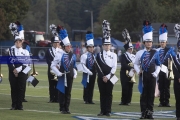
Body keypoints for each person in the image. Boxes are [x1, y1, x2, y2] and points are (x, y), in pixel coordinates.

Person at [134, 20, 161, 119]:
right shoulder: (139, 53)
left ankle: (150, 113)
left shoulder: (156, 52)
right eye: (147, 42)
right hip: (143, 76)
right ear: (144, 42)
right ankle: (143, 113)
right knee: (143, 95)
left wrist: (156, 73)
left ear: (151, 42)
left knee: (151, 95)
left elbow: (159, 64)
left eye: (150, 42)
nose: (149, 43)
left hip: (153, 76)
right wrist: (138, 71)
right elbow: (135, 64)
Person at [51, 26, 77, 114]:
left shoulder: (73, 55)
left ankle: (67, 108)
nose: (69, 47)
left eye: (70, 46)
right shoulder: (59, 54)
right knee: (62, 91)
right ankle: (62, 108)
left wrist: (75, 73)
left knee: (68, 92)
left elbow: (74, 66)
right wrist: (58, 73)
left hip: (70, 76)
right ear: (63, 46)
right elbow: (53, 65)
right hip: (62, 75)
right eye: (67, 46)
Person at [96, 20, 117, 117]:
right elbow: (97, 67)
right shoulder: (98, 55)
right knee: (102, 94)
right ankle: (102, 110)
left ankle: (108, 111)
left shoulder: (114, 55)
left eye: (108, 45)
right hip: (101, 77)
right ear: (102, 46)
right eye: (105, 45)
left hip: (110, 77)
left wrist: (108, 77)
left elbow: (114, 67)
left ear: (110, 45)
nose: (107, 46)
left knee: (109, 94)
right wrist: (102, 77)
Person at [8, 22, 31, 110]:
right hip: (12, 72)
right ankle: (14, 105)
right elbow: (9, 61)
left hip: (22, 71)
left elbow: (26, 63)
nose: (18, 42)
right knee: (14, 89)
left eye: (19, 41)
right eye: (16, 41)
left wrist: (18, 70)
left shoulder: (25, 52)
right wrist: (14, 70)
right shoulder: (11, 50)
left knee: (21, 88)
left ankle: (20, 105)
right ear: (15, 42)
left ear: (22, 42)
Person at [156, 23, 173, 107]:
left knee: (167, 86)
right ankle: (161, 101)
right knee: (161, 86)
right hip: (159, 71)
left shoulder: (169, 50)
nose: (162, 43)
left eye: (163, 42)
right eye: (161, 42)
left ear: (166, 42)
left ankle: (167, 101)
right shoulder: (157, 50)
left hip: (166, 70)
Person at [46, 24, 62, 103]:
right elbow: (48, 60)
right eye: (55, 42)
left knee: (58, 84)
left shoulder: (60, 51)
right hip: (51, 70)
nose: (56, 44)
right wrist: (54, 66)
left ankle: (58, 98)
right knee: (51, 85)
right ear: (52, 43)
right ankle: (52, 98)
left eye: (57, 42)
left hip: (59, 70)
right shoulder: (49, 51)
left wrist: (58, 66)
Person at [80, 31, 96, 104]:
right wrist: (87, 71)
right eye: (90, 47)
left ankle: (90, 99)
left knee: (92, 86)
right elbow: (82, 65)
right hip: (87, 72)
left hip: (93, 73)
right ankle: (86, 99)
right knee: (86, 85)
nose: (91, 48)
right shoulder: (84, 55)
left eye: (92, 47)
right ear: (87, 48)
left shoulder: (94, 56)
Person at [119, 41, 135, 106]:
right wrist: (131, 68)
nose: (131, 50)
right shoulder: (123, 56)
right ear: (127, 49)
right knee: (124, 86)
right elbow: (123, 65)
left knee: (130, 87)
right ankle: (123, 101)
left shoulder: (134, 56)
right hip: (124, 73)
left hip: (132, 73)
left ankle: (128, 101)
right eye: (129, 48)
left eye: (131, 48)